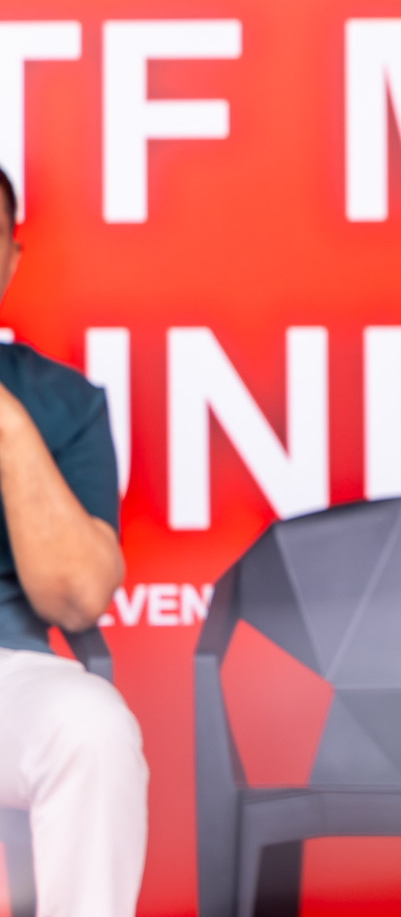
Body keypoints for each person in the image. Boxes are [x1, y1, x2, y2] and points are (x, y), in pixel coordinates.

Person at [0, 164, 147, 917]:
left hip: (7, 673)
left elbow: (82, 596)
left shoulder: (61, 401)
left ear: (11, 259)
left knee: (92, 729)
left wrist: (5, 424)